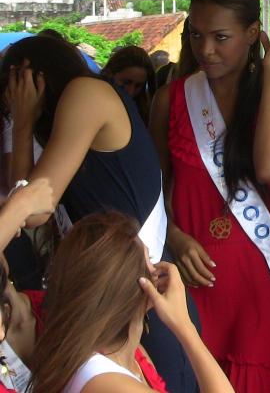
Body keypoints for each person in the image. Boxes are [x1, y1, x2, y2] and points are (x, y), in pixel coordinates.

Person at [0, 36, 196, 392]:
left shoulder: (85, 93)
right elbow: (25, 198)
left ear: (32, 80)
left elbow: (30, 211)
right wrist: (24, 124)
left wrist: (24, 120)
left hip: (141, 289)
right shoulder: (75, 107)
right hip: (114, 291)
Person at [149, 0, 270, 392]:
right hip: (188, 290)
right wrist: (177, 238)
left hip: (257, 291)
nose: (206, 49)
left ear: (253, 33)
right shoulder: (172, 99)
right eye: (196, 36)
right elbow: (156, 187)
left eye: (220, 37)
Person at [27, 212, 234, 393]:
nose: (156, 269)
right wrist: (184, 325)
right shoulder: (105, 380)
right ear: (143, 287)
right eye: (150, 260)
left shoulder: (127, 353)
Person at [102, 46, 157, 124]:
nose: (131, 91)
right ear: (109, 74)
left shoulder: (144, 112)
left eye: (138, 86)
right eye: (126, 82)